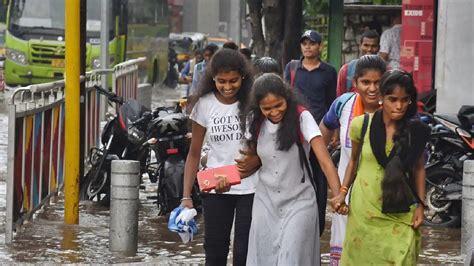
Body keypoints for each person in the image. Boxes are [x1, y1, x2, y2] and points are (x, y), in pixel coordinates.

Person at [243, 73, 343, 266]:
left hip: (300, 202)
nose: (274, 112)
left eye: (279, 105)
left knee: (293, 259)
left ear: (287, 98)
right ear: (258, 107)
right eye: (267, 108)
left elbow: (325, 162)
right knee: (263, 259)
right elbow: (247, 164)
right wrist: (220, 181)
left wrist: (339, 195)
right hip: (265, 202)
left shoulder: (302, 117)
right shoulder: (253, 121)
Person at [337, 69, 430, 265]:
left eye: (405, 100)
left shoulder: (416, 131)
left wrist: (421, 206)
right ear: (381, 98)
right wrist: (342, 192)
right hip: (364, 211)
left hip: (401, 209)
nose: (399, 106)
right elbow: (353, 161)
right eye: (393, 99)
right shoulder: (361, 125)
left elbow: (418, 168)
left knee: (401, 255)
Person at [181, 48, 256, 266]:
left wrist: (255, 162)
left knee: (245, 252)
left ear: (243, 76)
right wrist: (186, 197)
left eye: (233, 80)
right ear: (212, 78)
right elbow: (194, 153)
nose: (228, 87)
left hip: (251, 188)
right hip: (215, 187)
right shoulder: (204, 105)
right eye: (221, 81)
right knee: (214, 251)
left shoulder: (254, 103)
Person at [319, 55, 387, 265]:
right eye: (366, 82)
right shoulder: (343, 104)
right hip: (347, 195)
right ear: (355, 83)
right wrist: (334, 185)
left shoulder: (395, 107)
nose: (372, 89)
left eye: (378, 82)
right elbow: (321, 140)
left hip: (384, 197)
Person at [284, 29, 337, 235]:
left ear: (320, 46)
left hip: (319, 132)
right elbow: (284, 98)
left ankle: (318, 222)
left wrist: (333, 132)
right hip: (295, 131)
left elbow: (332, 102)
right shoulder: (292, 68)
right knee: (293, 173)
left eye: (312, 43)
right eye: (304, 43)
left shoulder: (329, 72)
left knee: (319, 174)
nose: (307, 46)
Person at [336, 30, 380, 97]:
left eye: (374, 46)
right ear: (360, 46)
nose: (369, 49)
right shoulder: (347, 70)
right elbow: (340, 97)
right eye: (366, 45)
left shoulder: (386, 71)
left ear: (378, 48)